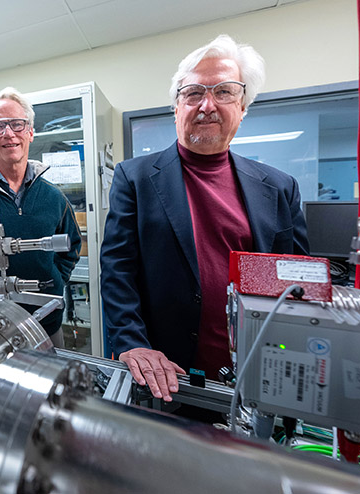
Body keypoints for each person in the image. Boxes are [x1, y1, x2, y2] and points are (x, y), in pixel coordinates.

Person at [100, 35, 309, 402]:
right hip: (166, 378)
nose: (206, 105)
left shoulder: (279, 188)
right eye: (193, 93)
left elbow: (295, 282)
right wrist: (132, 342)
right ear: (176, 107)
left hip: (255, 376)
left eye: (224, 92)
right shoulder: (134, 178)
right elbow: (118, 270)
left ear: (243, 106)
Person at [0, 87, 82, 347]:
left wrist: (52, 280)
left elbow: (73, 246)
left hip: (46, 324)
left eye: (17, 124)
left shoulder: (53, 196)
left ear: (30, 131)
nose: (8, 133)